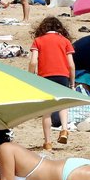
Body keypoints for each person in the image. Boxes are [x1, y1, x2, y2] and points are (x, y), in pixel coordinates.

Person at [28, 16, 76, 151]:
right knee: (63, 105)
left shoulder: (38, 41)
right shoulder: (65, 41)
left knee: (47, 111)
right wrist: (72, 83)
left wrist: (30, 77)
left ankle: (48, 142)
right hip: (62, 75)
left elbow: (33, 62)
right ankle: (65, 130)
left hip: (45, 76)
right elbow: (71, 65)